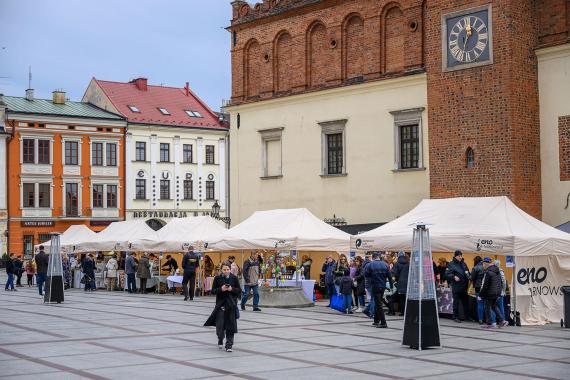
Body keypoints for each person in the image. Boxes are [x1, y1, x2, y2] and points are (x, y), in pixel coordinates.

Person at [204, 261, 242, 352]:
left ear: (230, 269)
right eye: (224, 269)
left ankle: (229, 345)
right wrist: (221, 289)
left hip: (231, 305)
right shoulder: (217, 278)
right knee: (220, 327)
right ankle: (220, 338)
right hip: (220, 305)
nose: (226, 271)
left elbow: (239, 291)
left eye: (228, 269)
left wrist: (231, 289)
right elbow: (213, 291)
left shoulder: (234, 278)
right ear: (221, 270)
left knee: (230, 327)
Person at [364, 252, 392, 328]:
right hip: (382, 286)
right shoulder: (385, 264)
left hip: (375, 286)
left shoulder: (370, 265)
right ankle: (376, 320)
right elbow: (389, 276)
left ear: (373, 257)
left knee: (379, 304)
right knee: (377, 302)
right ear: (379, 257)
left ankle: (383, 322)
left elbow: (366, 275)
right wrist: (391, 287)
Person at [480, 257, 508, 328]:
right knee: (494, 305)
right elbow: (501, 282)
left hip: (489, 293)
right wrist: (500, 292)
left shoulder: (488, 272)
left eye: (483, 264)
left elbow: (485, 285)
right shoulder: (497, 271)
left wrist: (481, 294)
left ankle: (490, 323)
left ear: (486, 264)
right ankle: (502, 320)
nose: (482, 266)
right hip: (496, 292)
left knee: (487, 307)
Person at [445, 250, 471, 323]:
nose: (460, 257)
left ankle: (467, 316)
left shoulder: (463, 263)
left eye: (461, 256)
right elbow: (447, 274)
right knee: (456, 302)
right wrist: (453, 277)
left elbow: (467, 272)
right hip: (456, 286)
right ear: (455, 256)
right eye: (459, 256)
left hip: (464, 286)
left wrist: (469, 276)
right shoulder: (451, 264)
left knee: (465, 302)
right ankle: (455, 316)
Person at [392, 251, 409, 316]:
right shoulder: (408, 263)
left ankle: (403, 312)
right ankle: (407, 311)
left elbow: (394, 274)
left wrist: (395, 282)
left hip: (400, 283)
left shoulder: (397, 264)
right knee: (407, 298)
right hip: (408, 283)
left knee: (402, 299)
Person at [470, 256, 485, 323]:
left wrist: (467, 274)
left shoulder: (475, 268)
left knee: (480, 303)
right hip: (486, 288)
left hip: (478, 288)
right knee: (487, 304)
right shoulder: (486, 267)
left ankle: (480, 319)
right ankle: (488, 319)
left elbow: (471, 278)